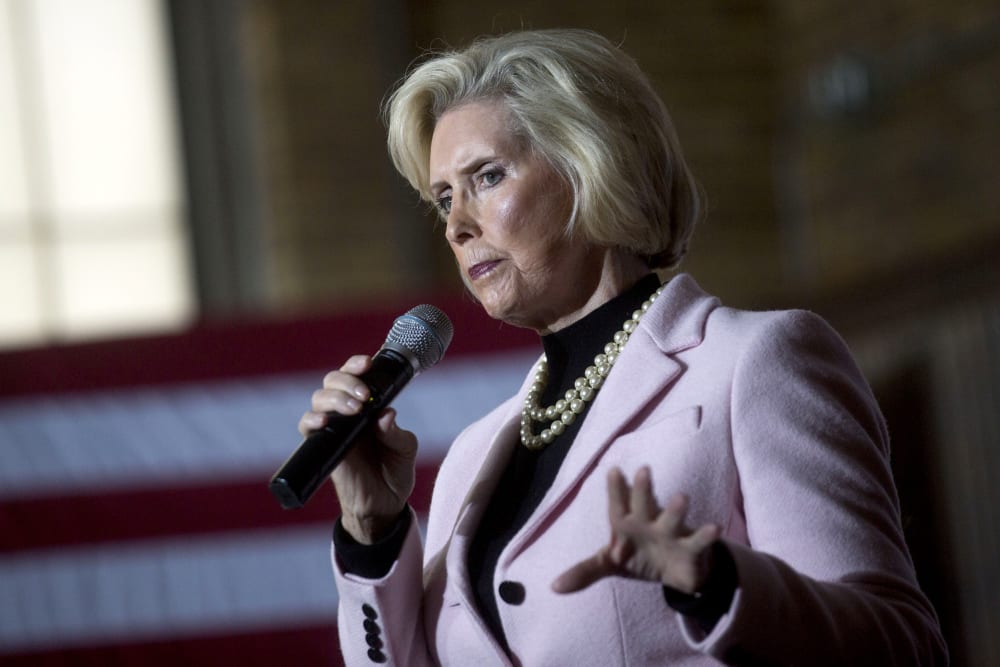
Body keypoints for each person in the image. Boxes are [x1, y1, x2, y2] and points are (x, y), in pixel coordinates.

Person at [299, 29, 947, 665]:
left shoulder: (753, 361)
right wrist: (373, 529)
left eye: (487, 177)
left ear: (589, 164)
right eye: (444, 198)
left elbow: (901, 642)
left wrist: (716, 583)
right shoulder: (471, 458)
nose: (458, 225)